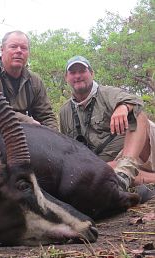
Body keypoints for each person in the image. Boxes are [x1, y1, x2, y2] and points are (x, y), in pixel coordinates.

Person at [60, 55, 155, 191]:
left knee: (137, 114)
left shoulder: (107, 93)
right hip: (114, 163)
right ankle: (126, 174)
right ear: (66, 78)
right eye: (73, 72)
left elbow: (137, 102)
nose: (78, 76)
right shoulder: (65, 111)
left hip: (145, 149)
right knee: (105, 171)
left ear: (92, 73)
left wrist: (123, 107)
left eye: (82, 71)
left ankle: (125, 169)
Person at [0, 30, 57, 130]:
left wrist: (53, 140)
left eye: (24, 48)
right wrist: (26, 121)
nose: (19, 51)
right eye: (13, 46)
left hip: (22, 137)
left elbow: (47, 116)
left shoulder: (35, 81)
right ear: (2, 49)